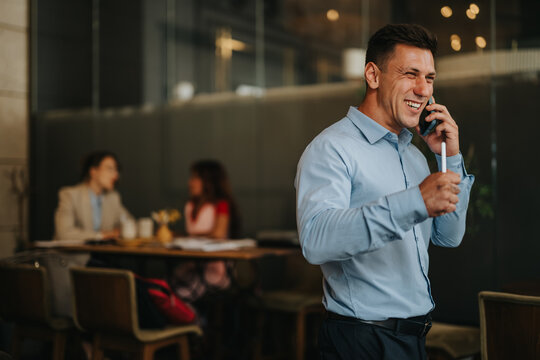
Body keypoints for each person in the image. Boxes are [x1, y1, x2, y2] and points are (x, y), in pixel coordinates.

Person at [294, 24, 475, 359]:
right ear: (373, 76)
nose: (423, 89)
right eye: (410, 74)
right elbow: (316, 241)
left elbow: (449, 236)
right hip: (360, 340)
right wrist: (415, 201)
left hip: (413, 338)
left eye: (430, 78)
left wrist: (448, 156)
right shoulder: (332, 148)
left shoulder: (417, 156)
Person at [173, 160, 240, 302]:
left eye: (194, 178)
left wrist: (187, 236)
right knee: (169, 285)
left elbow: (218, 233)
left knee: (182, 291)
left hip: (214, 269)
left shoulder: (221, 204)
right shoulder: (190, 205)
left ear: (208, 181)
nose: (190, 183)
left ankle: (193, 318)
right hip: (192, 265)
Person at [55, 150, 132, 241]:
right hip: (75, 254)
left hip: (103, 253)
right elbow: (64, 233)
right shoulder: (69, 195)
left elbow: (129, 222)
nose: (116, 175)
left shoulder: (112, 197)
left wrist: (123, 230)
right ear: (93, 171)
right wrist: (100, 235)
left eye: (116, 170)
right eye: (110, 169)